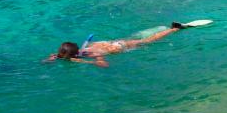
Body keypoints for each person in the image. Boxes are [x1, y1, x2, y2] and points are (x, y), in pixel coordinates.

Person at [44, 22, 190, 67]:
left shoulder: (90, 55)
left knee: (148, 41)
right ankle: (168, 28)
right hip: (111, 43)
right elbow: (51, 58)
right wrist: (51, 59)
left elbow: (104, 65)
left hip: (118, 47)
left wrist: (85, 62)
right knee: (139, 38)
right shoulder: (62, 55)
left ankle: (175, 29)